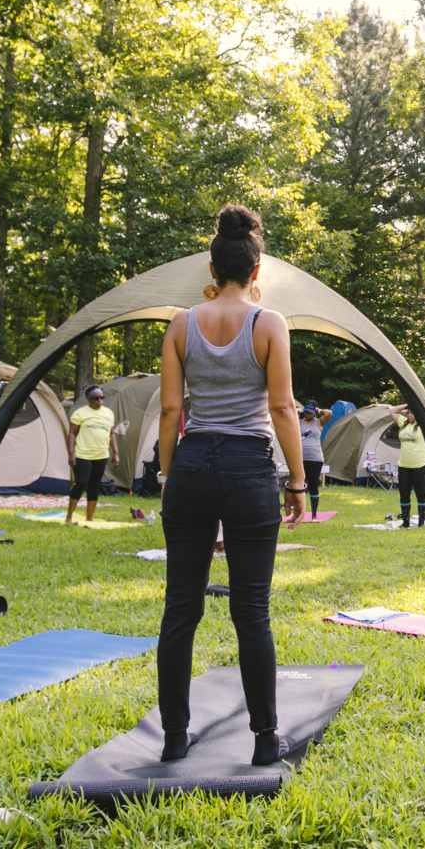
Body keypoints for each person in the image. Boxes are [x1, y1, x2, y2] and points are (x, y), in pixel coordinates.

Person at [153, 204, 306, 767]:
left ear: (213, 269)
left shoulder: (181, 323)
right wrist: (299, 480)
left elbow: (172, 411)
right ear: (256, 268)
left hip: (192, 466)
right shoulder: (269, 324)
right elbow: (283, 407)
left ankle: (174, 736)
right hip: (248, 469)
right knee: (252, 610)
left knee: (181, 608)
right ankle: (265, 739)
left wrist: (169, 476)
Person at [66, 385, 117, 524]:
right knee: (81, 483)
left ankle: (89, 518)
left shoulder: (109, 413)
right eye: (96, 398)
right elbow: (71, 434)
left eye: (102, 397)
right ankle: (69, 517)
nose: (99, 400)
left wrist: (115, 453)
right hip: (83, 455)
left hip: (101, 455)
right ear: (88, 399)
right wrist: (71, 454)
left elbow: (111, 434)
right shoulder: (80, 413)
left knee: (94, 486)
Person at [393, 408, 425, 527]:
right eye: (409, 412)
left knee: (421, 493)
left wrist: (416, 405)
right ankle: (405, 522)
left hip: (421, 464)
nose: (410, 415)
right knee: (404, 493)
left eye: (412, 412)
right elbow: (391, 411)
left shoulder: (424, 425)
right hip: (403, 465)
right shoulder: (403, 423)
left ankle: (421, 523)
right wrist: (406, 405)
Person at [298, 403, 327, 519]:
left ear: (314, 412)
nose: (307, 414)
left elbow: (329, 413)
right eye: (306, 412)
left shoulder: (318, 422)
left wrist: (319, 410)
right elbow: (291, 412)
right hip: (301, 458)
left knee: (313, 485)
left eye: (310, 412)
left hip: (315, 458)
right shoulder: (299, 421)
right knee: (299, 484)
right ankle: (299, 512)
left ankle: (314, 514)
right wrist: (300, 410)